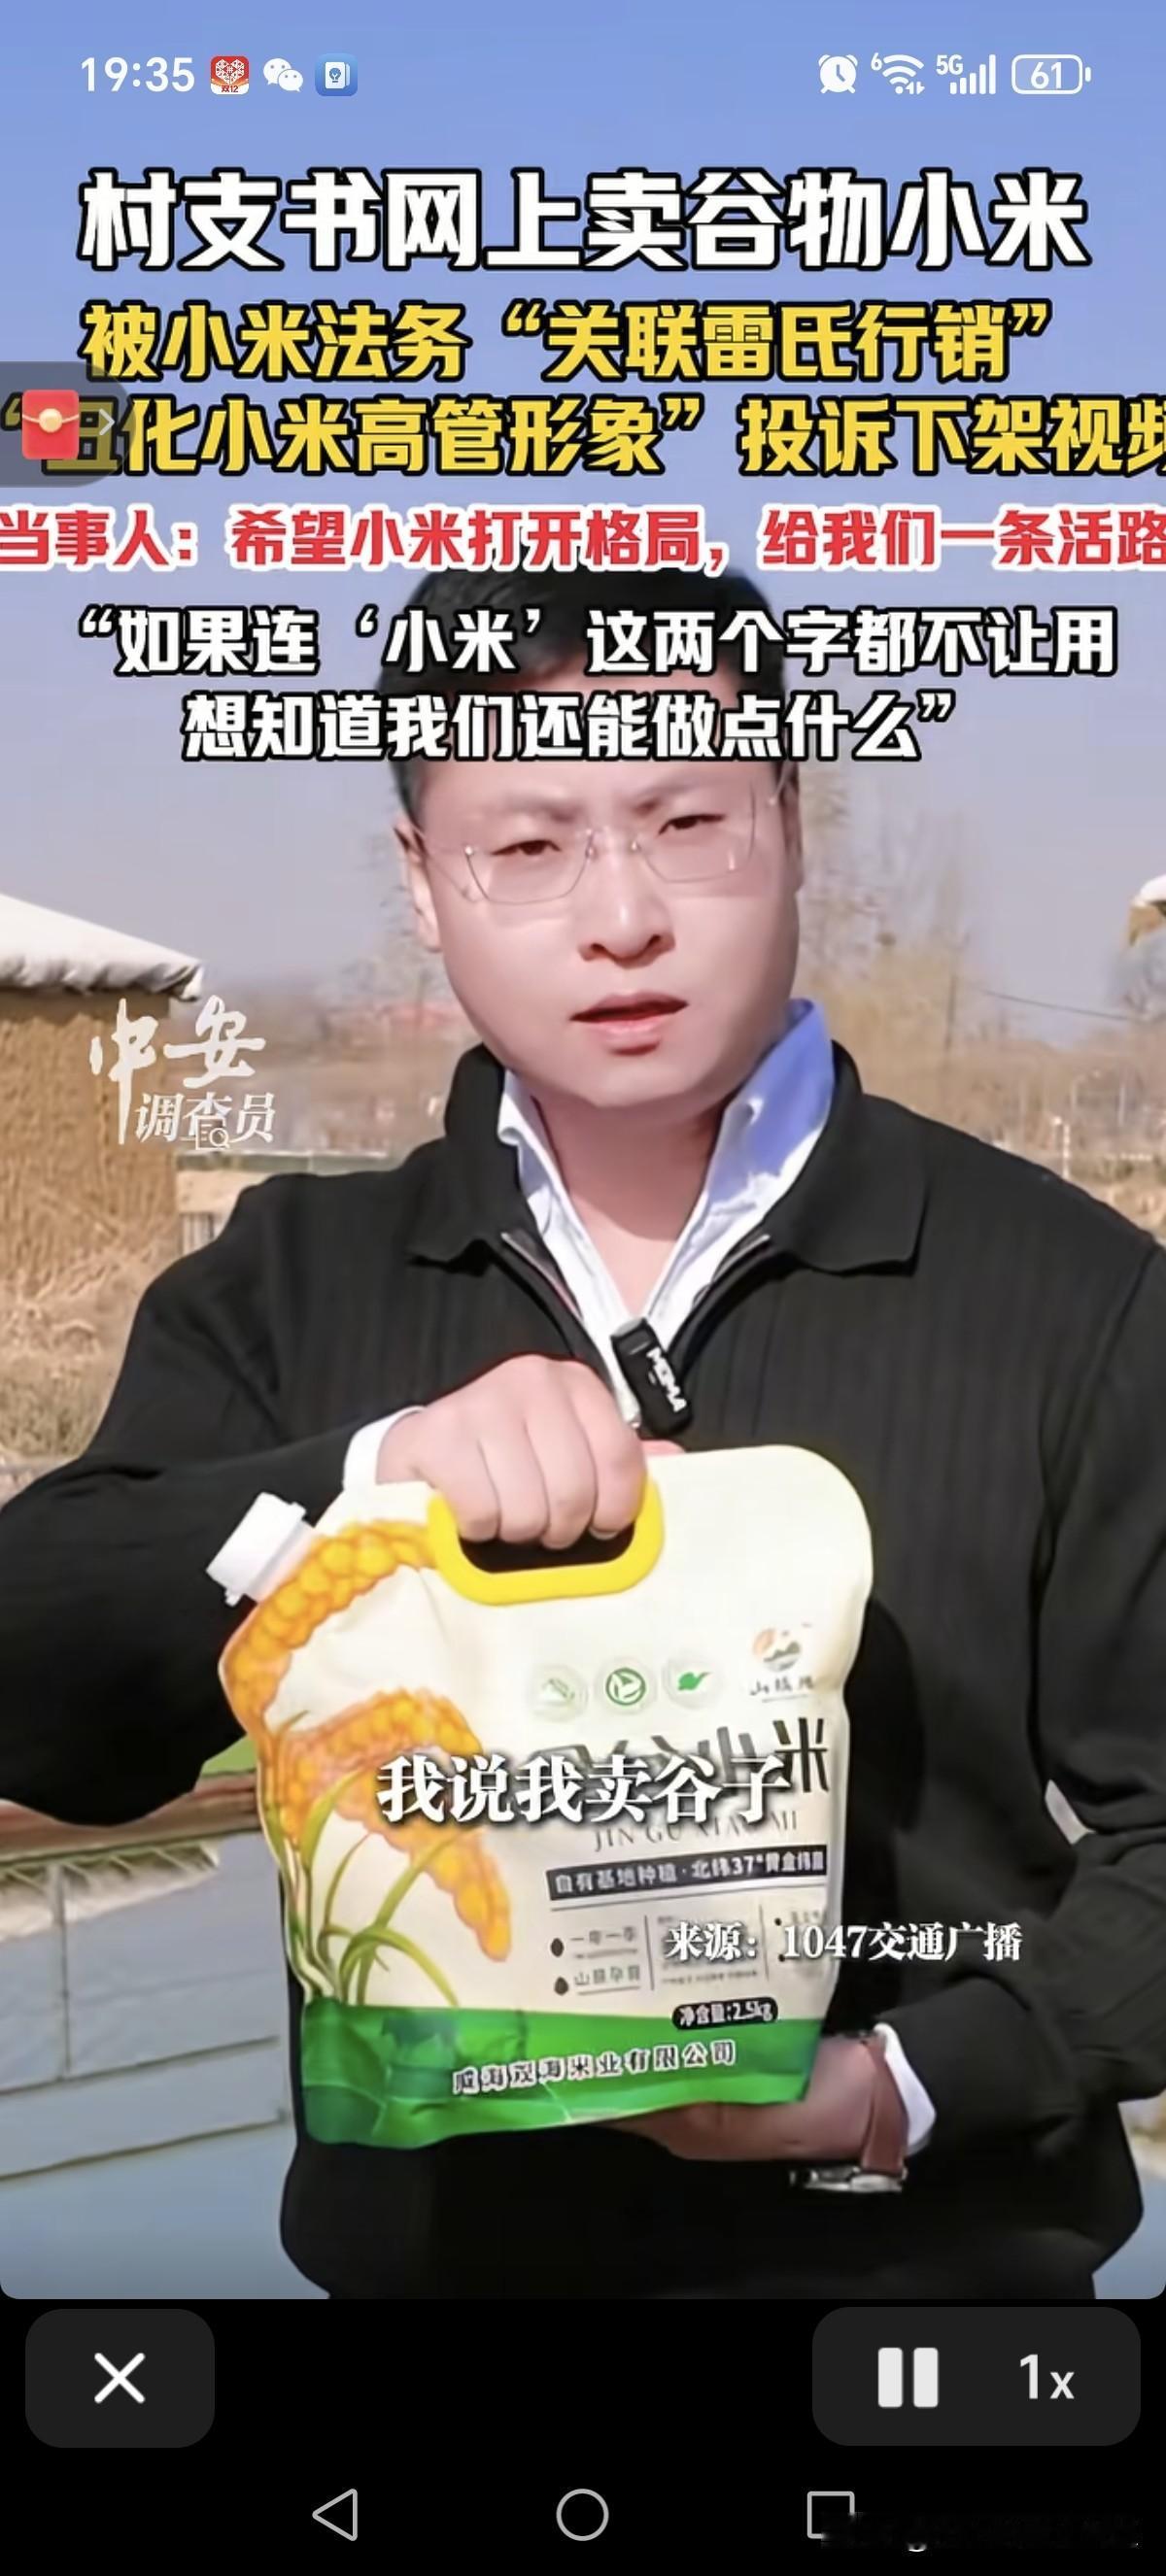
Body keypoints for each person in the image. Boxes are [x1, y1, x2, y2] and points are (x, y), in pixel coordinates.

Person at [2, 563, 1164, 2304]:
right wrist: (368, 1476)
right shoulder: (287, 1288)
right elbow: (46, 1704)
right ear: (423, 881)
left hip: (931, 2331)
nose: (622, 919)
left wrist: (903, 2089)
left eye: (688, 822)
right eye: (529, 845)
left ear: (793, 824)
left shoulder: (1077, 1295)